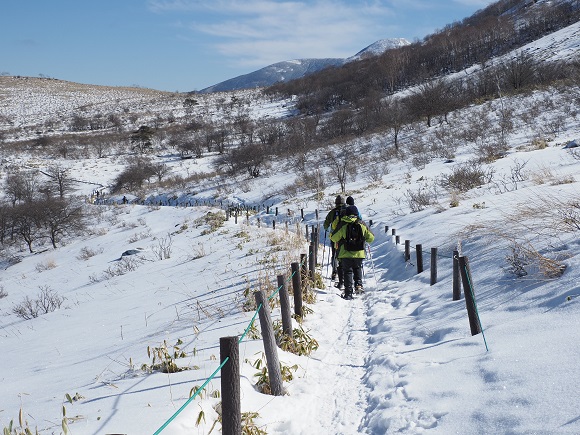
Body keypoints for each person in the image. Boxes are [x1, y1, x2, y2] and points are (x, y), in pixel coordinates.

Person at [330, 205, 374, 300]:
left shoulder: (343, 224)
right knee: (357, 268)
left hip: (345, 253)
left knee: (347, 272)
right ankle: (358, 285)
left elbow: (334, 238)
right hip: (359, 252)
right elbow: (371, 238)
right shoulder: (362, 224)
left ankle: (348, 293)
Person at [323, 195, 346, 284]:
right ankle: (344, 270)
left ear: (336, 203)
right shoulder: (347, 210)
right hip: (345, 236)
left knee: (334, 253)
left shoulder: (332, 212)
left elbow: (326, 224)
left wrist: (328, 230)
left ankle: (334, 271)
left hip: (335, 237)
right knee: (344, 253)